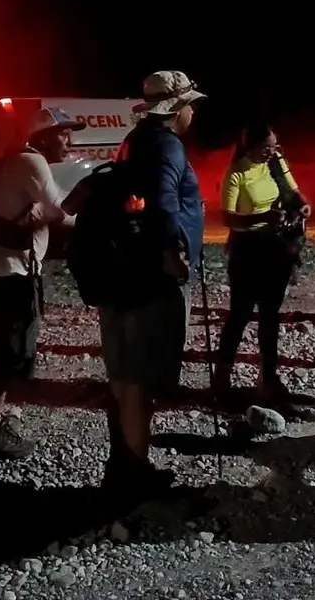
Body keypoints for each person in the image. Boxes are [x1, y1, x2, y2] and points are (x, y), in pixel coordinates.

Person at [99, 70, 206, 495]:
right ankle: (134, 473)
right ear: (176, 109)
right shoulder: (167, 146)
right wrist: (173, 256)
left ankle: (123, 463)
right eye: (190, 104)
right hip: (150, 279)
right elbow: (163, 204)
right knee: (142, 377)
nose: (194, 111)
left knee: (124, 373)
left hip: (121, 272)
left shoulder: (133, 141)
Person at [0, 107, 84, 458]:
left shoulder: (16, 161)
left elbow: (48, 211)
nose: (69, 140)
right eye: (62, 133)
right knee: (10, 354)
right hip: (13, 273)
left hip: (4, 271)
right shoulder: (32, 163)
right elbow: (62, 212)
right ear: (42, 137)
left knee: (5, 350)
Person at [213, 122, 312, 407]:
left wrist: (303, 204)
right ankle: (222, 380)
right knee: (240, 315)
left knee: (270, 315)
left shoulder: (277, 162)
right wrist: (261, 219)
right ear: (250, 147)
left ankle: (269, 378)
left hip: (276, 249)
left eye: (275, 146)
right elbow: (228, 219)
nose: (272, 152)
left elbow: (294, 190)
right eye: (266, 148)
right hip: (247, 250)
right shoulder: (237, 173)